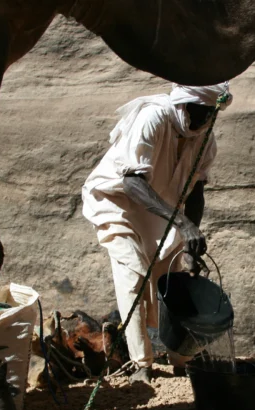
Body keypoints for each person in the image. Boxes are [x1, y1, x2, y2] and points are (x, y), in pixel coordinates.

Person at [82, 83, 232, 384]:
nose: (204, 121)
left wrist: (190, 242)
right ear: (184, 104)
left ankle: (181, 356)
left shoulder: (205, 137)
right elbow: (131, 182)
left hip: (161, 211)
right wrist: (183, 223)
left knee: (171, 279)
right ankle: (142, 364)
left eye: (211, 115)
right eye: (200, 113)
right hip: (118, 203)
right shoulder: (153, 118)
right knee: (134, 275)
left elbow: (196, 191)